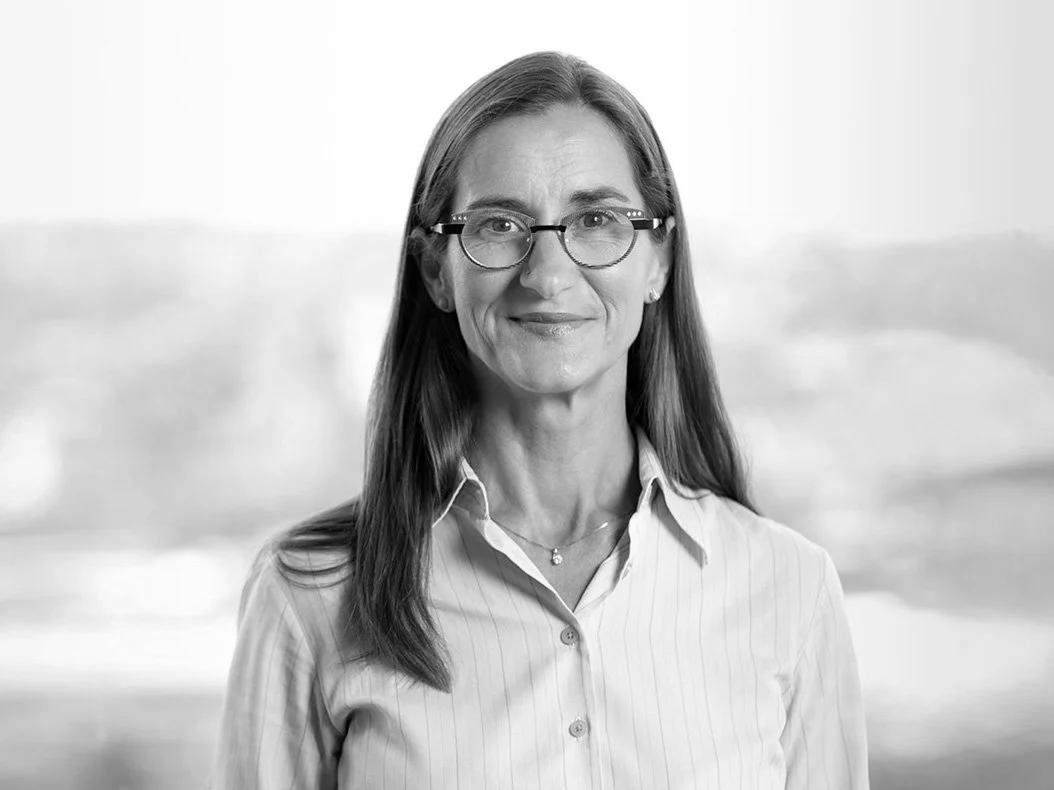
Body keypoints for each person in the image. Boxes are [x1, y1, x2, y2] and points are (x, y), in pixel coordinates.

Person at [213, 51, 869, 789]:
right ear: (436, 268)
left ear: (657, 259)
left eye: (597, 220)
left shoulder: (788, 587)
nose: (548, 275)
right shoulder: (310, 595)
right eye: (500, 225)